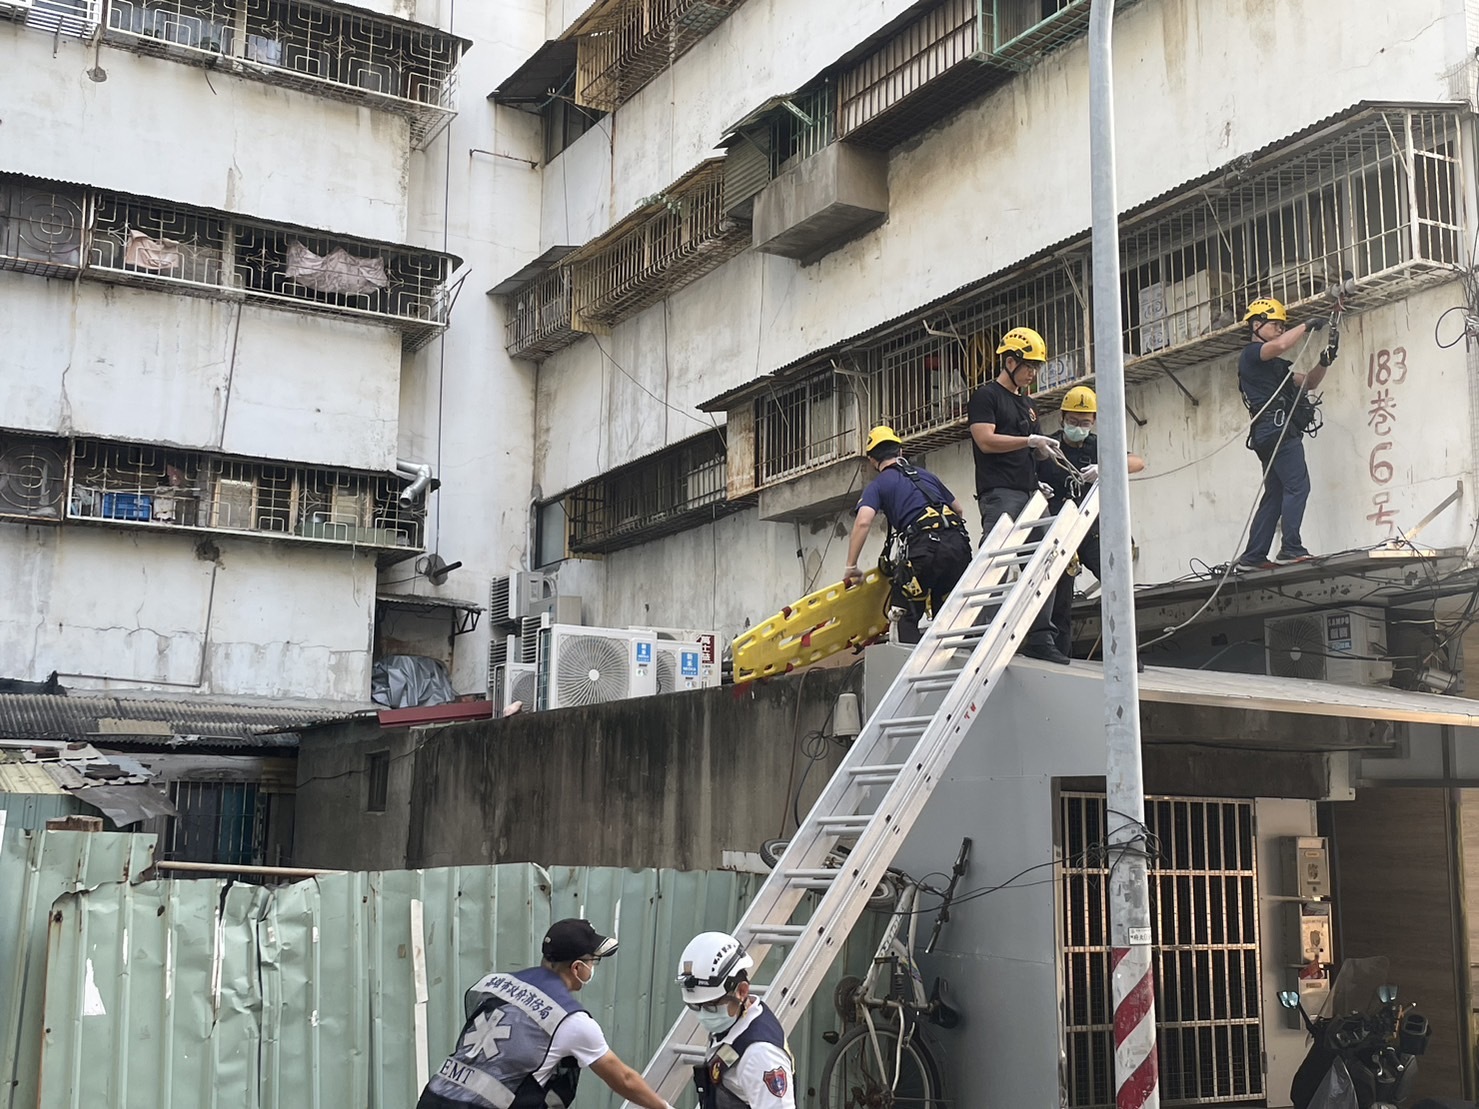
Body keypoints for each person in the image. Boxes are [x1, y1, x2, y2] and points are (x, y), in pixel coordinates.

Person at [419, 918, 674, 1109]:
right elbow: (624, 1079)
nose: (593, 968)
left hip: (433, 1097)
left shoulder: (494, 983)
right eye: (593, 962)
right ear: (577, 968)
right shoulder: (571, 1020)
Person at [966, 325, 1071, 664]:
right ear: (1009, 361)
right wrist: (1028, 442)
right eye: (1029, 366)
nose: (1033, 373)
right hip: (1001, 492)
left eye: (1036, 367)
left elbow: (1034, 447)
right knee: (998, 561)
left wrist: (1045, 453)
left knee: (1044, 562)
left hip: (1029, 492)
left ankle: (1040, 635)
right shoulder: (987, 397)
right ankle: (985, 633)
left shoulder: (1028, 404)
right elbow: (985, 439)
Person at [1038, 385, 1146, 656]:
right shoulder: (1049, 447)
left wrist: (1106, 468)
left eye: (1084, 422)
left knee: (1116, 585)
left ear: (1094, 421)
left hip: (1092, 528)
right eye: (1073, 422)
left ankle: (1126, 653)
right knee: (1060, 598)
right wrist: (1037, 486)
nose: (1078, 427)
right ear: (1062, 418)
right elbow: (1027, 469)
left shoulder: (1099, 446)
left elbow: (1138, 462)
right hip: (1060, 528)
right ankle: (1058, 652)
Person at [1234, 297, 1339, 571]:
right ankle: (1291, 548)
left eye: (1283, 325)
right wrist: (1306, 324)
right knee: (1298, 486)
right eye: (1275, 324)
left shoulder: (1275, 366)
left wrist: (1324, 361)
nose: (1280, 329)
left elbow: (1309, 382)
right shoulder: (1250, 355)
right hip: (1276, 429)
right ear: (1257, 325)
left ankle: (1254, 556)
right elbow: (1280, 344)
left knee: (1276, 493)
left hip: (1269, 432)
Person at [843, 425, 972, 643]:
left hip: (925, 550)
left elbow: (863, 522)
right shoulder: (927, 477)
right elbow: (958, 509)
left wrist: (851, 566)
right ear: (900, 452)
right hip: (958, 546)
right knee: (951, 612)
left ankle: (912, 669)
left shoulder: (879, 485)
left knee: (905, 614)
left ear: (873, 461)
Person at [676, 931, 795, 1109]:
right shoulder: (735, 1024)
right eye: (696, 1006)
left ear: (742, 991)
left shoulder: (760, 1055)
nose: (702, 1014)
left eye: (710, 1006)